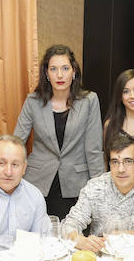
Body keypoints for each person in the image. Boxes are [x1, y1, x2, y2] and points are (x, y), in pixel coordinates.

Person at [14, 44, 105, 219]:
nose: (60, 75)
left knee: (71, 239)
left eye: (65, 68)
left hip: (75, 184)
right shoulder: (33, 101)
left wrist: (99, 191)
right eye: (54, 69)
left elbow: (93, 150)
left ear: (74, 71)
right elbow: (17, 142)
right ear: (46, 73)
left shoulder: (89, 100)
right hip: (38, 183)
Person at [63, 133, 134, 251]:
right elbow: (69, 225)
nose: (121, 169)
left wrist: (121, 236)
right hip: (101, 260)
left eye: (128, 161)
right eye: (115, 162)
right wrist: (79, 240)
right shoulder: (95, 187)